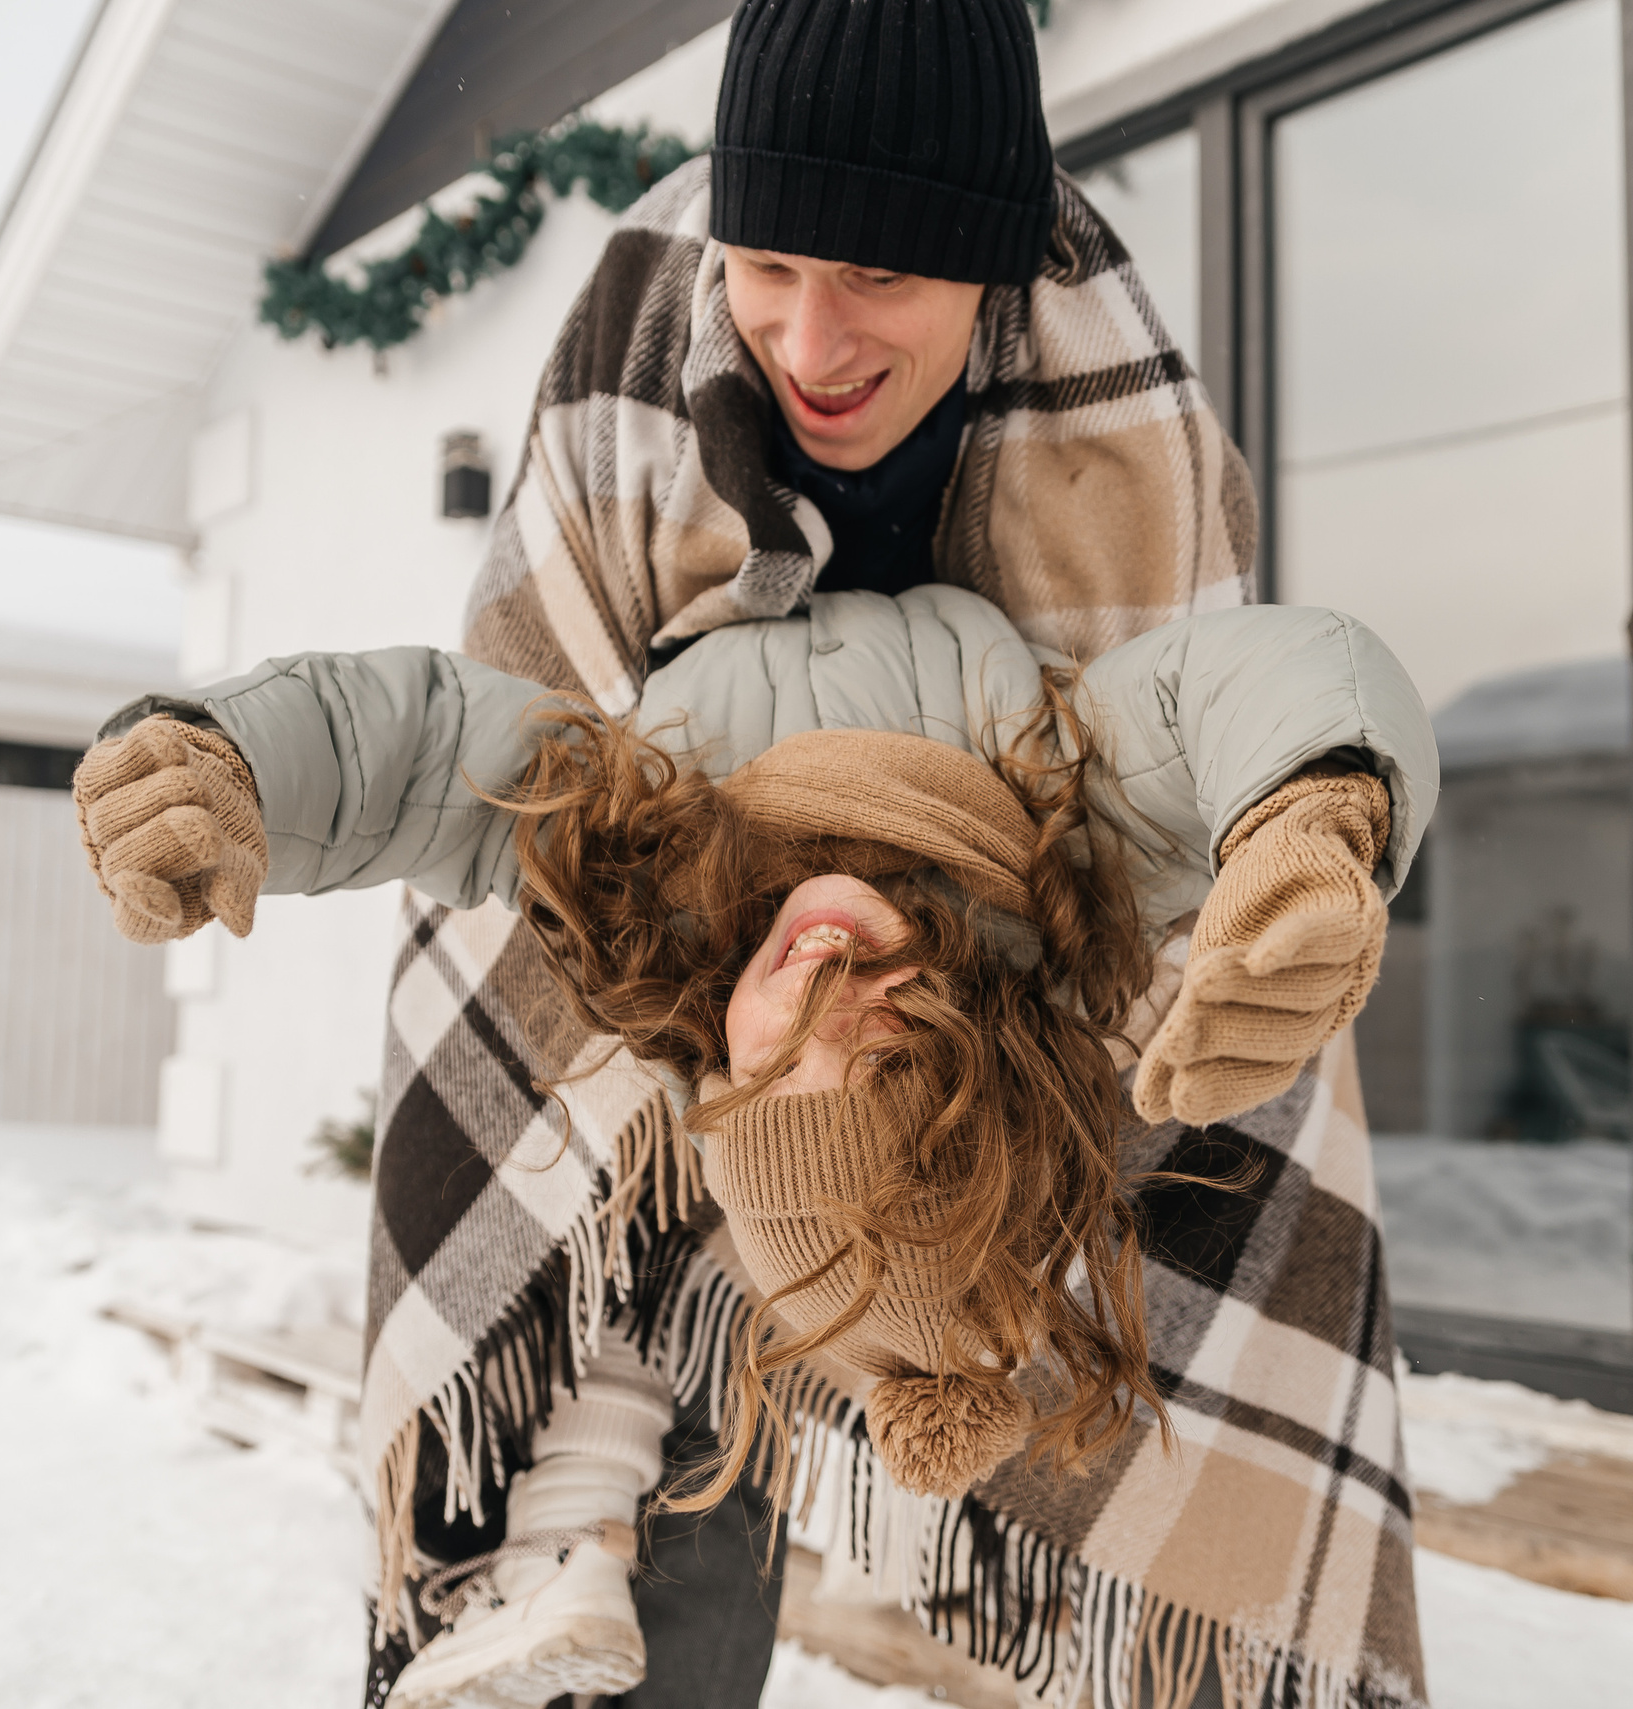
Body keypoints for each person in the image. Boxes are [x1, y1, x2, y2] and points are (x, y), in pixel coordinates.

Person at [81, 1, 1430, 1703]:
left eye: (883, 281)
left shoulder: (1102, 442)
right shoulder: (677, 395)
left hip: (840, 1121)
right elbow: (468, 737)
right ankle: (587, 1575)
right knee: (673, 1508)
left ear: (990, 272)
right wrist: (1318, 804)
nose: (809, 336)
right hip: (675, 1097)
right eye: (773, 265)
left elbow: (445, 760)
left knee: (818, 1261)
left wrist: (236, 762)